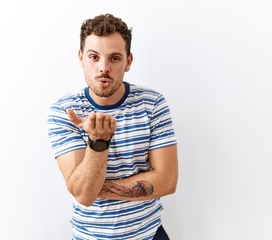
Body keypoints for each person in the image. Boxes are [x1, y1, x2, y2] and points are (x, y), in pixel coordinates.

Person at [47, 13, 178, 240]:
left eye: (115, 58)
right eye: (94, 57)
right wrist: (99, 142)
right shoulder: (65, 112)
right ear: (81, 58)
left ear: (128, 61)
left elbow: (167, 181)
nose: (103, 67)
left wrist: (95, 187)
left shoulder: (153, 103)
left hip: (149, 234)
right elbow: (84, 196)